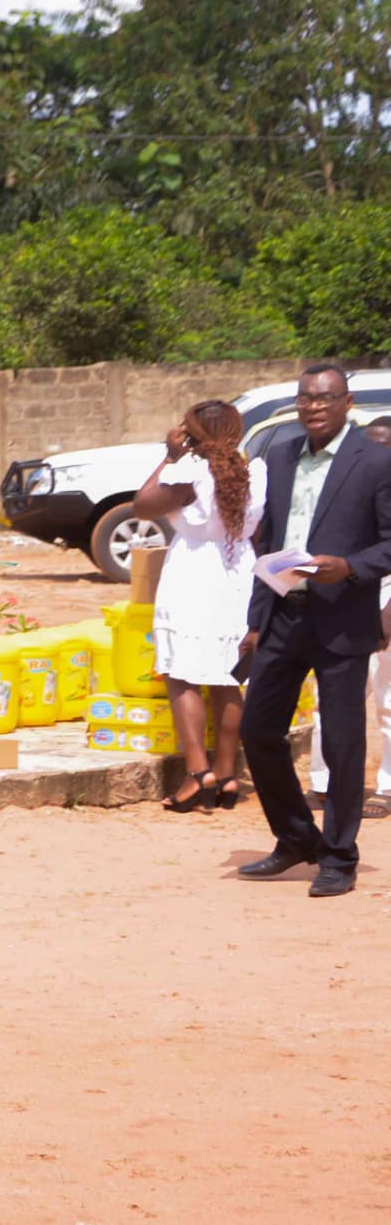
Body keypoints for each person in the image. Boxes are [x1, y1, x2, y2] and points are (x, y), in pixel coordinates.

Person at [236, 364, 391, 898]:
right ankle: (297, 837)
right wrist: (255, 620)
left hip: (342, 617)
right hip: (284, 614)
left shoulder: (376, 461)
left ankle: (339, 856)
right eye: (305, 398)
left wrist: (349, 567)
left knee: (342, 743)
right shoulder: (280, 457)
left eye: (325, 398)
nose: (313, 407)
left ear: (347, 403)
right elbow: (268, 543)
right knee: (258, 730)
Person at [129, 400, 266, 812]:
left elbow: (142, 505)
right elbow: (258, 530)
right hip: (238, 569)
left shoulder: (187, 472)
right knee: (227, 676)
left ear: (192, 434)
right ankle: (226, 774)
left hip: (193, 571)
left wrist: (170, 456)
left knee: (182, 674)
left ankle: (197, 772)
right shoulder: (254, 472)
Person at [308, 413, 391, 810]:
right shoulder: (346, 489)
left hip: (386, 598)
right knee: (331, 697)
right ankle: (324, 782)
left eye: (384, 446)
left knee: (387, 700)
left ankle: (387, 787)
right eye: (369, 445)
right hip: (347, 598)